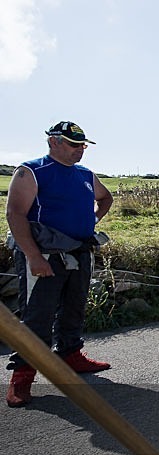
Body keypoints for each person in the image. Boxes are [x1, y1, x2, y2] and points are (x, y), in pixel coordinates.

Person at [6, 121, 114, 407]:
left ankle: (70, 355)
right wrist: (33, 256)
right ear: (53, 142)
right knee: (37, 314)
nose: (80, 150)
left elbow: (106, 198)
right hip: (44, 254)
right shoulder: (31, 171)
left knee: (74, 306)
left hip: (78, 252)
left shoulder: (85, 175)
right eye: (73, 144)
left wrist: (91, 220)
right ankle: (22, 376)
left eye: (83, 145)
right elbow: (15, 214)